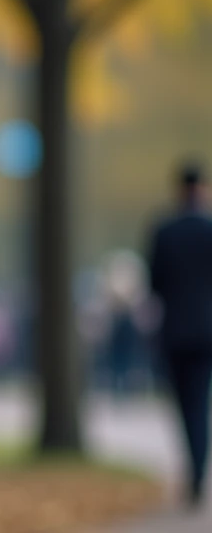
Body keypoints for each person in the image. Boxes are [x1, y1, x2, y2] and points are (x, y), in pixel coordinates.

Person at [147, 160, 212, 508]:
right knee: (201, 401)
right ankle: (198, 469)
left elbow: (154, 282)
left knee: (185, 407)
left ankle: (193, 466)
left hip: (174, 332)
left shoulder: (164, 231)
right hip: (206, 331)